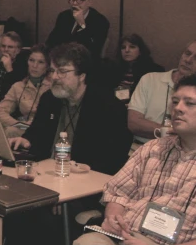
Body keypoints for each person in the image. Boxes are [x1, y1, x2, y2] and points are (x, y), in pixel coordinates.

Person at [71, 73, 196, 245]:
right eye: (175, 101)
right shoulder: (153, 148)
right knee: (87, 244)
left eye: (189, 103)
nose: (178, 109)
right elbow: (117, 191)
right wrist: (113, 214)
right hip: (124, 239)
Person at [9, 42, 131, 176]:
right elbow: (36, 132)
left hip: (87, 179)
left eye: (62, 71)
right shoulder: (49, 98)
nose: (54, 77)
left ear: (82, 75)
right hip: (46, 173)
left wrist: (85, 167)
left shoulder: (107, 106)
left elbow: (115, 156)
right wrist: (26, 140)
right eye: (52, 71)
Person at [128, 40, 196, 145]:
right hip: (140, 148)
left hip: (184, 155)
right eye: (187, 53)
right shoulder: (150, 79)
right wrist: (176, 132)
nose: (188, 60)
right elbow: (133, 123)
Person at [0, 44, 52, 138]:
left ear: (47, 66)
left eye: (40, 62)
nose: (34, 66)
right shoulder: (18, 86)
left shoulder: (53, 88)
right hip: (23, 127)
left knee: (11, 131)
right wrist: (18, 124)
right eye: (31, 60)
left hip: (45, 130)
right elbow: (0, 112)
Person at [46, 0, 110, 62]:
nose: (75, 3)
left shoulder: (100, 21)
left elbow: (93, 51)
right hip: (62, 61)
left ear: (90, 2)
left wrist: (82, 24)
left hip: (85, 64)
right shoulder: (64, 16)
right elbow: (51, 42)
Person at [106, 33, 164, 103]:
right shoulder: (113, 68)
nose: (126, 50)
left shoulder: (152, 71)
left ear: (140, 51)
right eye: (123, 47)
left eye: (132, 47)